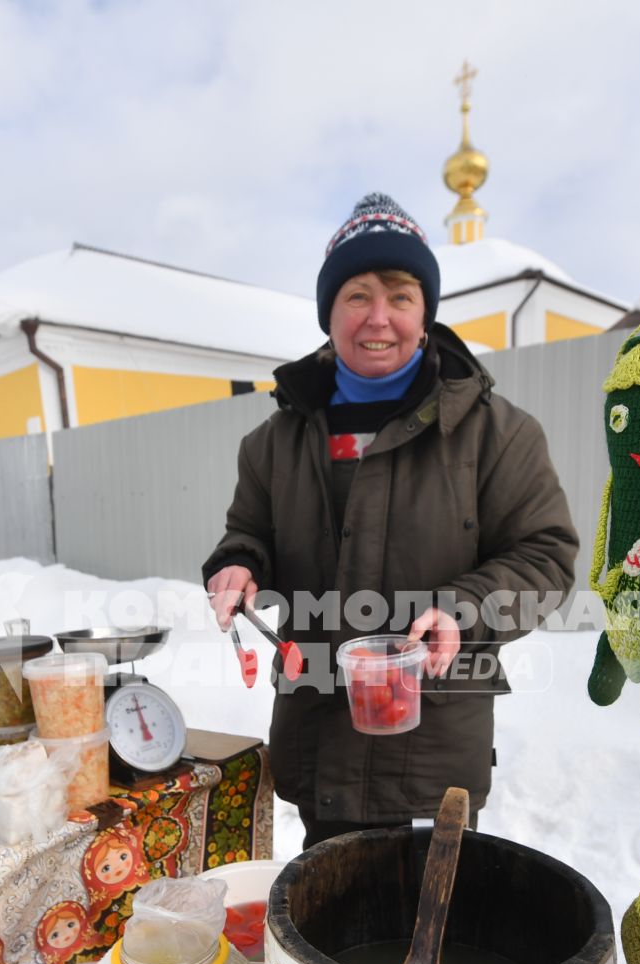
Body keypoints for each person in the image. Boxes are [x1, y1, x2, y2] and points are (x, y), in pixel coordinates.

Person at [202, 193, 579, 849]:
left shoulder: (498, 434)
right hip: (320, 742)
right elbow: (249, 533)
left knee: (430, 936)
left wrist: (461, 608)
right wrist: (240, 563)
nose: (379, 318)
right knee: (329, 930)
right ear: (329, 312)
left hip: (432, 754)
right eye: (358, 295)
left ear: (425, 310)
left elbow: (546, 556)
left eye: (401, 295)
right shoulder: (272, 444)